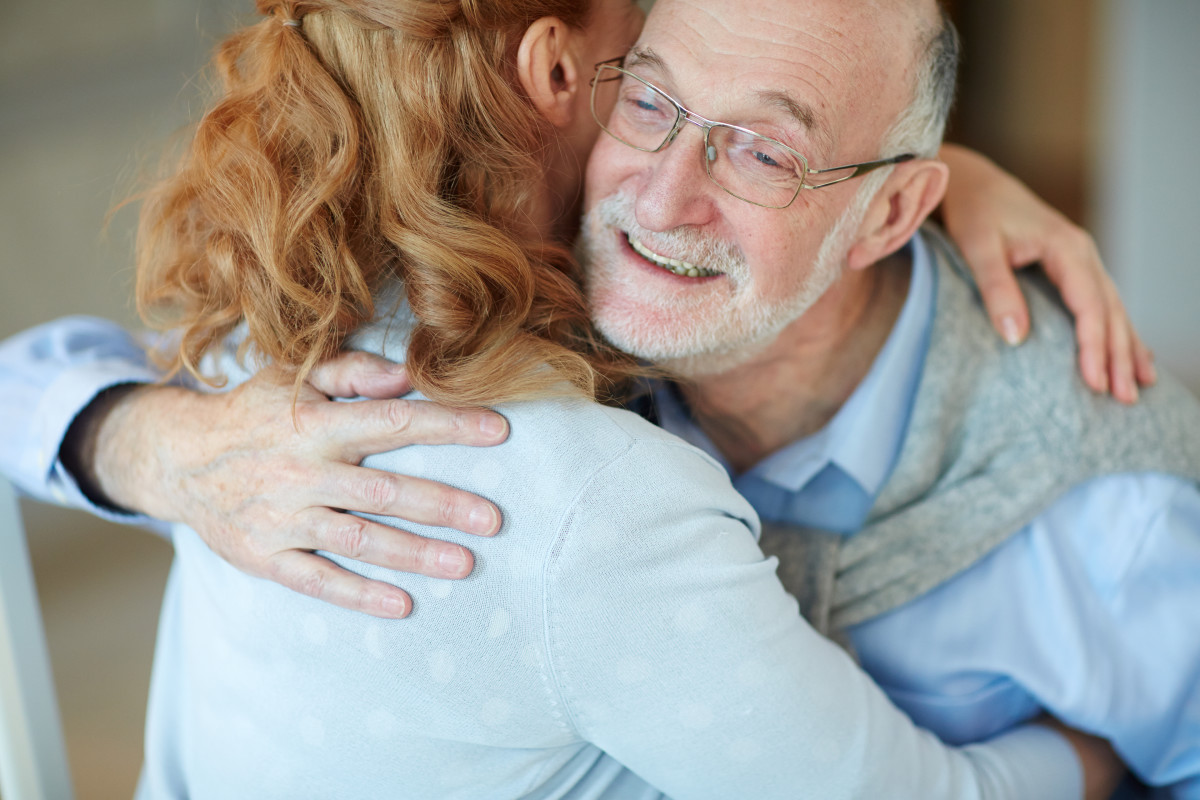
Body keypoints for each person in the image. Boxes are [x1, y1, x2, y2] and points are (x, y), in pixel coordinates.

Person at [0, 0, 1138, 797]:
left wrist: (148, 432)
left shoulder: (290, 314)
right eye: (642, 84)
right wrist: (1091, 759)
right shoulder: (595, 504)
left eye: (757, 153)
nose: (671, 179)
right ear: (557, 70)